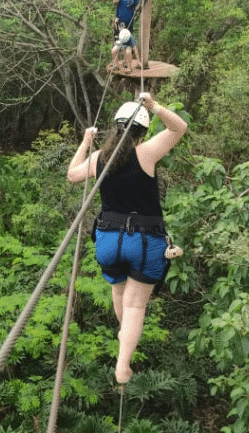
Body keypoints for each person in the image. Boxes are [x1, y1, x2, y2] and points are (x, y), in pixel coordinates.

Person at [66, 93, 188, 384]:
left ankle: (124, 339)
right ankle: (123, 365)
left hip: (108, 240)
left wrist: (85, 142)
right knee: (136, 306)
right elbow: (179, 128)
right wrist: (154, 106)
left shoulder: (99, 159)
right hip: (144, 242)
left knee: (120, 294)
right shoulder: (146, 152)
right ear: (142, 132)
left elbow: (72, 175)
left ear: (116, 128)